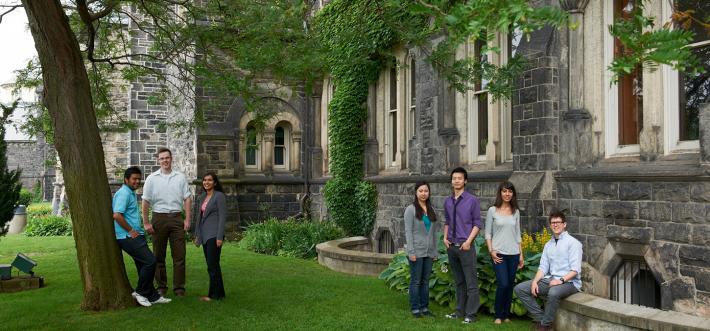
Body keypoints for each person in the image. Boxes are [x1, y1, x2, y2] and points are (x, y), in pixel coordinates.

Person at [112, 166, 171, 307]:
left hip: (135, 235)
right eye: (134, 179)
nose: (137, 181)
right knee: (150, 261)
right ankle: (140, 292)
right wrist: (131, 230)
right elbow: (117, 215)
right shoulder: (124, 194)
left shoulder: (130, 193)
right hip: (127, 236)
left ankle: (152, 296)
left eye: (139, 179)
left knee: (143, 265)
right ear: (126, 179)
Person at [514, 211, 582, 331]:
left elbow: (575, 270)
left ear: (564, 224)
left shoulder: (573, 243)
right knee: (520, 289)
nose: (555, 225)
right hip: (550, 280)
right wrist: (535, 281)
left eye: (558, 222)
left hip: (570, 283)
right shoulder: (548, 245)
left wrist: (560, 280)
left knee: (553, 292)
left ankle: (544, 326)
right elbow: (543, 267)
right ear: (550, 225)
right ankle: (542, 320)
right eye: (553, 223)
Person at [142, 147, 192, 297]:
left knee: (179, 255)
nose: (165, 160)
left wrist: (187, 219)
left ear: (171, 159)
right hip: (159, 219)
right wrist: (146, 223)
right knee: (158, 255)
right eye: (162, 158)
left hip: (177, 218)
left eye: (167, 158)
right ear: (158, 160)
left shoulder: (180, 177)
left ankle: (179, 288)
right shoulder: (151, 178)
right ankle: (161, 286)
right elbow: (145, 201)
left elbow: (187, 198)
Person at [443, 167, 483, 324]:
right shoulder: (448, 201)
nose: (456, 181)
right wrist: (445, 238)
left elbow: (477, 224)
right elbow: (447, 222)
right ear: (452, 181)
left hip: (466, 247)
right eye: (454, 178)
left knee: (471, 282)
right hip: (451, 247)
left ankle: (471, 314)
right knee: (459, 281)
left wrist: (468, 242)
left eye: (460, 178)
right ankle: (459, 311)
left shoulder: (472, 200)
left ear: (465, 181)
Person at [485, 181, 524, 324]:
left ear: (513, 194)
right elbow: (488, 233)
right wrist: (491, 251)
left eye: (510, 192)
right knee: (503, 284)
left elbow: (518, 234)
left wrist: (521, 255)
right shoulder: (492, 210)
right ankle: (498, 314)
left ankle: (506, 314)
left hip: (513, 253)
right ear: (500, 193)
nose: (507, 194)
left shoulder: (516, 212)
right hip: (498, 253)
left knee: (510, 284)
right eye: (504, 191)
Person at [403, 181, 439, 318]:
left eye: (426, 191)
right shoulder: (410, 209)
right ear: (416, 192)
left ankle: (424, 307)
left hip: (429, 252)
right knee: (416, 280)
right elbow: (408, 232)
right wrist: (411, 252)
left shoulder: (431, 210)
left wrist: (434, 251)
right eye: (421, 191)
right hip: (416, 251)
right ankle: (415, 308)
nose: (423, 193)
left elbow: (434, 233)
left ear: (429, 193)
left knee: (425, 281)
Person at [194, 172, 227, 301]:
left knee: (213, 265)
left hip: (214, 235)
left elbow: (222, 217)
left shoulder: (219, 196)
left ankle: (214, 295)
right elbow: (199, 218)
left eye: (209, 180)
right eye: (204, 180)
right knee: (212, 265)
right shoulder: (202, 197)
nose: (206, 182)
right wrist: (197, 235)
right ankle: (219, 293)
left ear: (215, 183)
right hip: (205, 235)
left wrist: (219, 237)